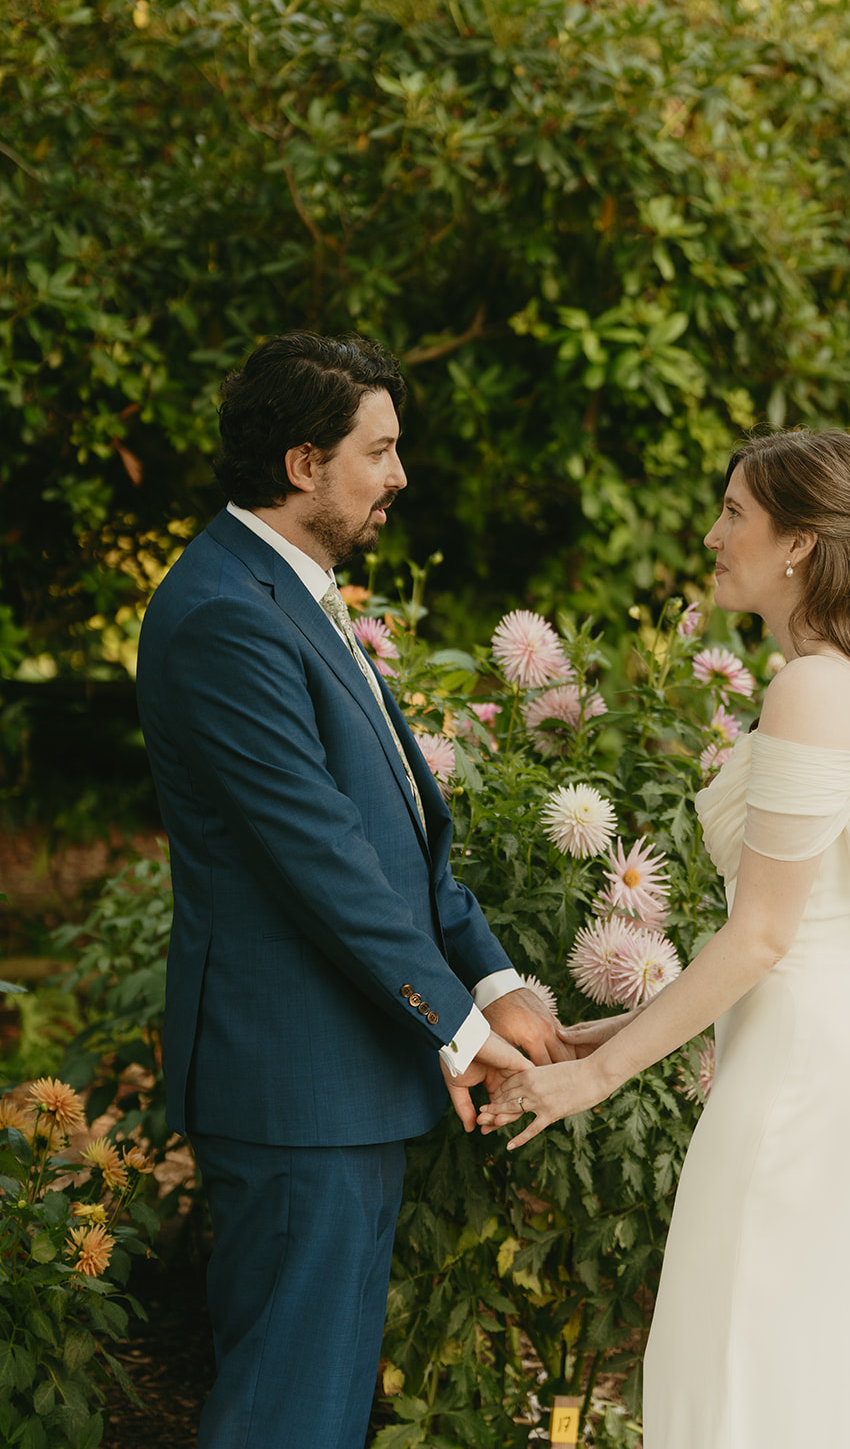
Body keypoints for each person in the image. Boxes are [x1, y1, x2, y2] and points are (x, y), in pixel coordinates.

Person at [136, 331, 565, 1449]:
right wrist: (462, 1027)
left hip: (340, 1079)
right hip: (292, 1085)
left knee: (318, 1410)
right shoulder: (226, 612)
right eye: (378, 450)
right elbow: (320, 856)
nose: (398, 475)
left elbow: (401, 835)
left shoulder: (292, 590)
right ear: (301, 463)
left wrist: (493, 975)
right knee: (286, 1414)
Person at [478, 428, 850, 1449]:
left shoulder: (813, 687)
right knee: (789, 1333)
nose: (710, 532)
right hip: (827, 1034)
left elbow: (765, 934)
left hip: (807, 1061)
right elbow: (790, 930)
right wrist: (620, 1027)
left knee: (746, 1331)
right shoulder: (842, 679)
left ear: (800, 545)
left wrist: (593, 1082)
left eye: (734, 511)